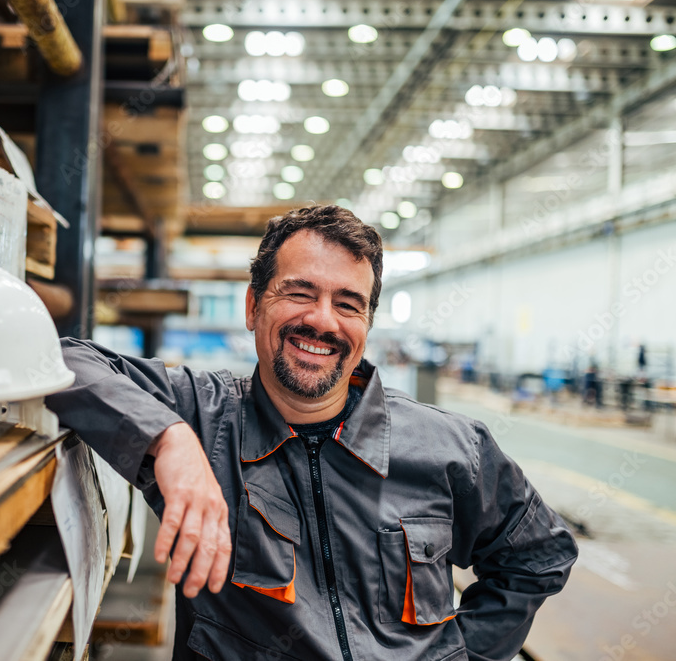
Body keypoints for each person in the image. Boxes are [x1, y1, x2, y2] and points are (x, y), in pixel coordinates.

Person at [47, 205, 578, 661]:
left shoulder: (451, 448)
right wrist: (170, 439)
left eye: (348, 304)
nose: (323, 321)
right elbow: (64, 357)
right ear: (253, 307)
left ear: (367, 323)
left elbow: (538, 556)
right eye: (299, 293)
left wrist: (462, 654)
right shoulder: (202, 416)